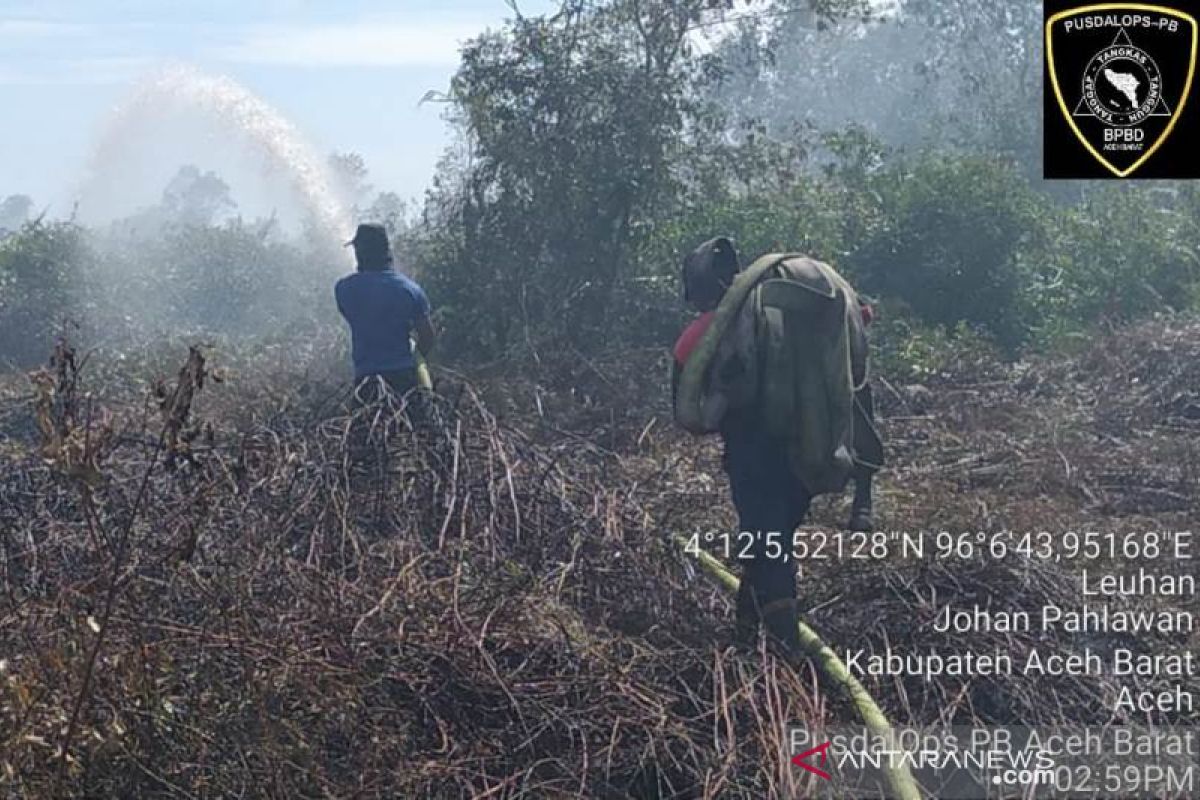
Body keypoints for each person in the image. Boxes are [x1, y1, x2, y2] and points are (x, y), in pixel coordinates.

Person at [672, 237, 881, 654]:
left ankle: (787, 660)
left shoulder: (708, 332)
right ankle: (746, 642)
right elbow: (859, 352)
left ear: (701, 288)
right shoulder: (790, 313)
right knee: (767, 542)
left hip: (756, 460)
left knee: (768, 551)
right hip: (808, 453)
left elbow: (688, 411)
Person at [334, 223, 436, 406]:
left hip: (366, 382)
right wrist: (415, 358)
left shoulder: (344, 289)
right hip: (405, 381)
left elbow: (351, 315)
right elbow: (428, 336)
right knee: (414, 431)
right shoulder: (410, 290)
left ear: (359, 252)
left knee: (366, 431)